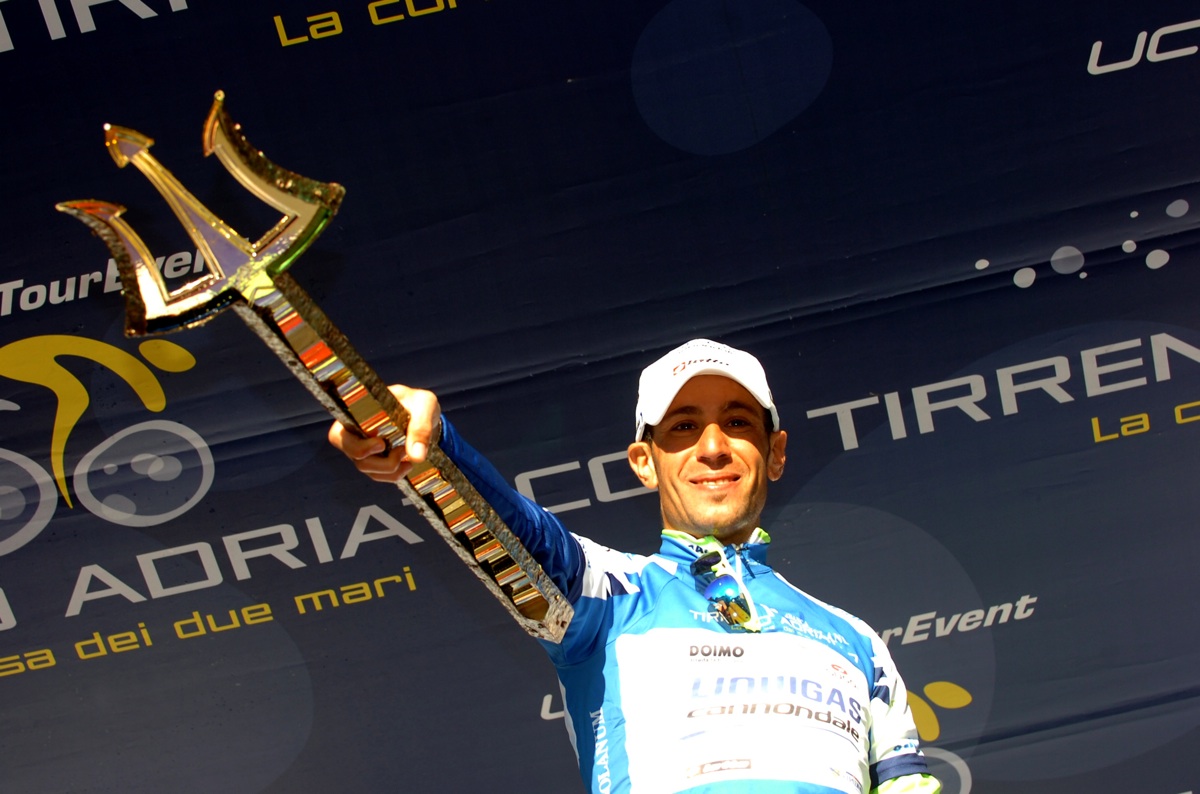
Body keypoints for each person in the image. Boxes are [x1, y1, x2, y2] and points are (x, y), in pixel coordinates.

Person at [329, 339, 941, 794]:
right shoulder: (608, 596)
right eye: (682, 427)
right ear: (644, 463)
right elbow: (515, 529)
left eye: (736, 422)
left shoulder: (857, 642)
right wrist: (435, 448)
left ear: (775, 453)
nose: (712, 446)